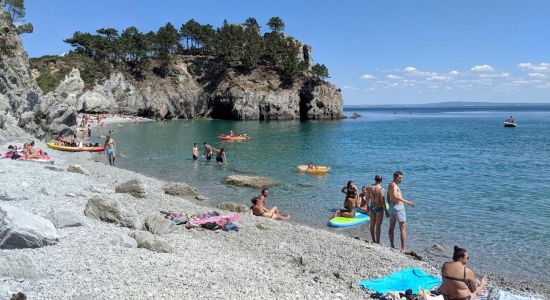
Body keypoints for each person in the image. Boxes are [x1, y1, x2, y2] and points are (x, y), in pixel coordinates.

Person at [387, 171, 415, 252]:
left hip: (392, 207)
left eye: (401, 178)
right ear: (395, 177)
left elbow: (388, 196)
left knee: (391, 227)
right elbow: (395, 196)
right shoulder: (394, 185)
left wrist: (390, 206)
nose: (401, 180)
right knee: (402, 228)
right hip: (398, 207)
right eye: (399, 178)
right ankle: (403, 248)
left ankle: (392, 245)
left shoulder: (390, 185)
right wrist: (408, 202)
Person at [365, 175, 386, 243]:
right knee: (378, 225)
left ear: (375, 179)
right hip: (379, 207)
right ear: (381, 181)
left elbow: (367, 198)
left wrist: (367, 205)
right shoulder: (381, 189)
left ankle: (373, 240)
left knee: (372, 224)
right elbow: (382, 201)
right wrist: (386, 211)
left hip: (372, 206)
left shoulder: (369, 187)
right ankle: (378, 241)